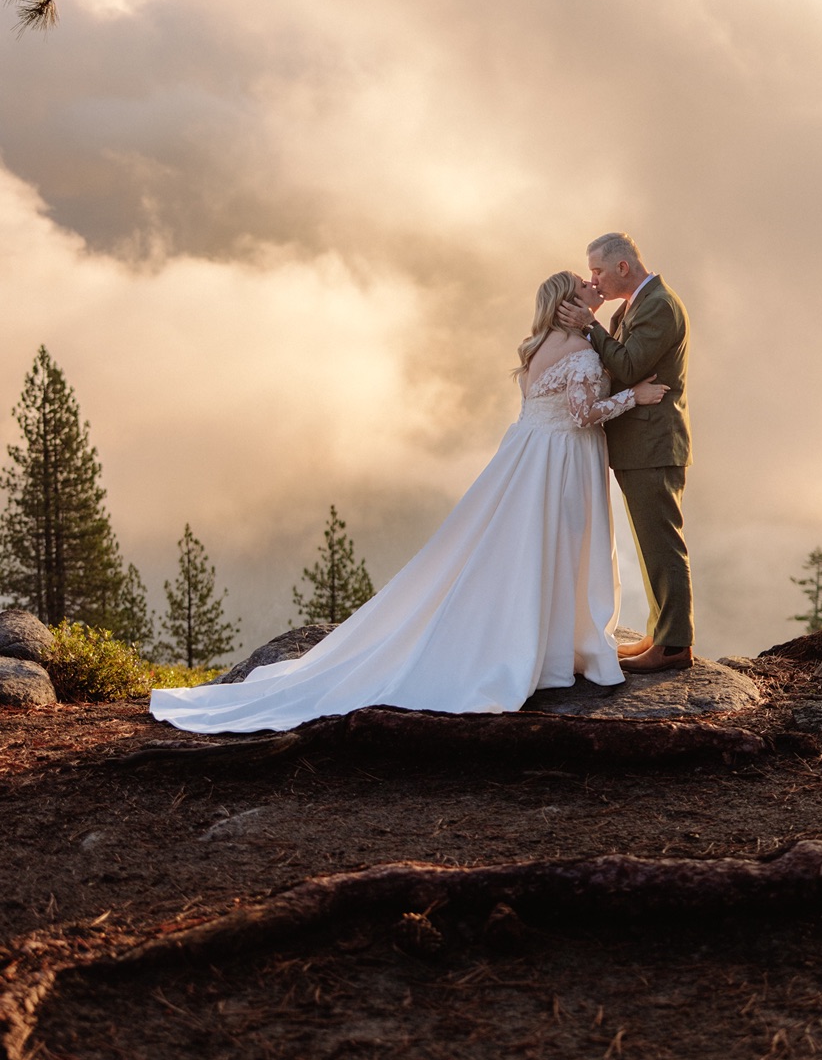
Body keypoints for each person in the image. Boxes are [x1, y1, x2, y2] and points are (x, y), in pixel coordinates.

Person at [150, 270, 667, 733]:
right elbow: (580, 413)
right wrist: (633, 398)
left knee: (529, 547)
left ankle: (550, 641)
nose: (591, 289)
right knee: (562, 544)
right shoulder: (578, 351)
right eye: (582, 286)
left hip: (531, 451)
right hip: (561, 457)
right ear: (565, 303)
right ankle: (556, 645)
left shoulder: (537, 346)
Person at [557, 232, 694, 672]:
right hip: (641, 444)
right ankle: (661, 632)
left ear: (622, 267)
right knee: (649, 542)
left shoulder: (658, 305)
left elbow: (630, 364)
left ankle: (673, 646)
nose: (594, 279)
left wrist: (589, 327)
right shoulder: (637, 304)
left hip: (654, 443)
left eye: (597, 269)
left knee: (662, 543)